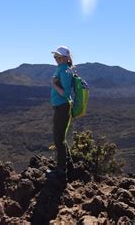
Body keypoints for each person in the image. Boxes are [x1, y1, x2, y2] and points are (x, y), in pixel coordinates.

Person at [48, 46, 74, 181]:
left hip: (62, 107)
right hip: (60, 107)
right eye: (55, 56)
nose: (56, 59)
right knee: (60, 137)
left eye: (58, 57)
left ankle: (61, 170)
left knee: (58, 139)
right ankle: (68, 165)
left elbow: (66, 94)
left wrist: (53, 84)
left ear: (65, 58)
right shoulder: (62, 69)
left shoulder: (64, 71)